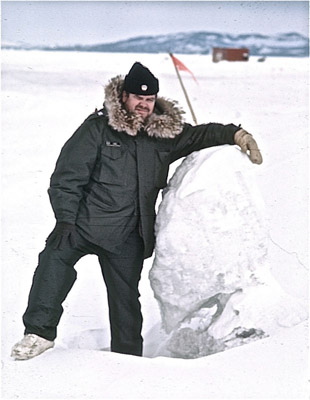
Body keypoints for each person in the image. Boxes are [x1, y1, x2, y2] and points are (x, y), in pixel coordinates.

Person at [11, 62, 263, 360]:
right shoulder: (97, 129)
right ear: (123, 97)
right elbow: (66, 178)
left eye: (149, 99)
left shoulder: (163, 134)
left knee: (126, 304)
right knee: (52, 266)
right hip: (83, 224)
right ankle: (38, 335)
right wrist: (65, 220)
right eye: (137, 98)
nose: (143, 105)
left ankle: (128, 361)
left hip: (128, 233)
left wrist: (237, 134)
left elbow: (199, 135)